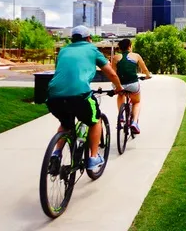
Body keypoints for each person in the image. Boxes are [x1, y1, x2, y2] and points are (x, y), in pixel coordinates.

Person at [46, 25, 123, 171]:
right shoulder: (92, 49)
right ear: (89, 38)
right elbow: (111, 73)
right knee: (95, 120)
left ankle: (56, 154)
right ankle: (93, 158)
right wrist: (118, 88)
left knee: (65, 123)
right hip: (80, 94)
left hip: (54, 96)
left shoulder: (63, 51)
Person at [111, 38, 151, 135]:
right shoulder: (136, 56)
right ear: (130, 46)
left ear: (120, 48)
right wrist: (147, 76)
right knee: (136, 102)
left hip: (120, 85)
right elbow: (144, 69)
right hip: (133, 84)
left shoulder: (115, 58)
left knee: (120, 95)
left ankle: (121, 116)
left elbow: (113, 73)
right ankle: (134, 123)